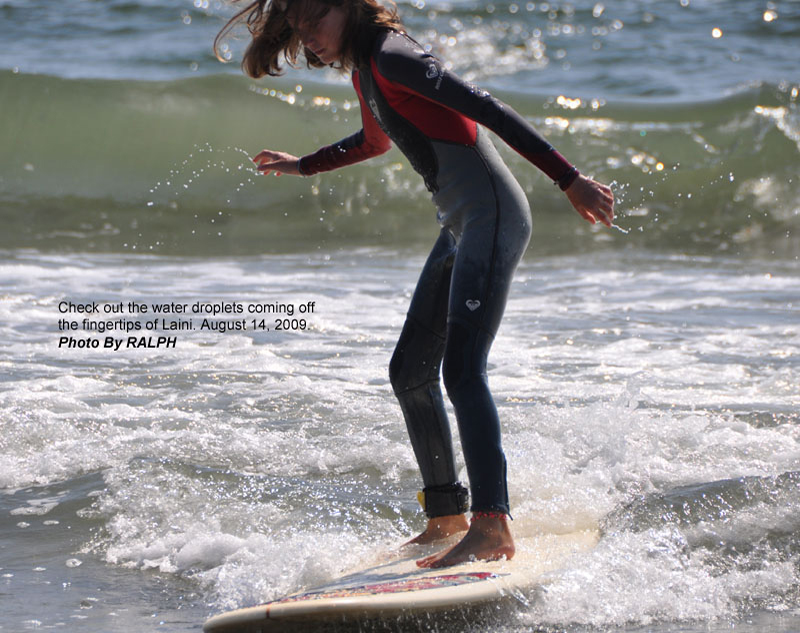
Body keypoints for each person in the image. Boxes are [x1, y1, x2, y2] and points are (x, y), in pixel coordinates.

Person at [215, 0, 614, 569]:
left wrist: (569, 179)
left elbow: (488, 109)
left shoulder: (394, 55)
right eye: (296, 25)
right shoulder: (366, 69)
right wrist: (303, 165)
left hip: (491, 217)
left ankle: (492, 526)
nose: (307, 36)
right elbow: (375, 142)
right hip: (460, 226)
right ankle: (447, 516)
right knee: (409, 371)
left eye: (314, 20)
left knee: (462, 370)